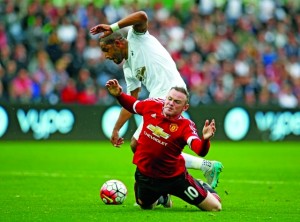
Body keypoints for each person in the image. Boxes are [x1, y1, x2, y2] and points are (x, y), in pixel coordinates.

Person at [90, 11, 223, 188]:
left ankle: (174, 184)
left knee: (140, 144)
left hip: (171, 94)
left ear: (118, 42)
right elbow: (131, 103)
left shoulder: (137, 37)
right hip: (158, 99)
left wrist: (113, 26)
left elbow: (142, 16)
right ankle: (202, 169)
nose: (106, 56)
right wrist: (116, 129)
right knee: (143, 146)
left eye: (106, 50)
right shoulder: (128, 68)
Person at [105, 79, 221, 211]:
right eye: (169, 99)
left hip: (175, 179)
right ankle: (164, 197)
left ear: (185, 108)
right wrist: (119, 95)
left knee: (215, 207)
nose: (171, 104)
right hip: (146, 176)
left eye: (177, 102)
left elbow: (200, 150)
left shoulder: (186, 126)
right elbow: (133, 105)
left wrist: (205, 140)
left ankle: (201, 186)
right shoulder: (152, 105)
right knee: (145, 206)